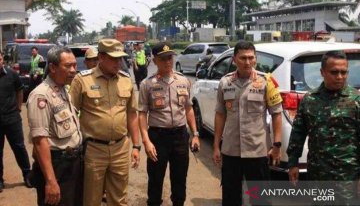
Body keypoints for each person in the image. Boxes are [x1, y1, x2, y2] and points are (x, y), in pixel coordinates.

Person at [69, 39, 140, 206]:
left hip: (120, 148)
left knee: (119, 199)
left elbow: (132, 114)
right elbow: (71, 114)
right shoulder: (83, 80)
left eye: (120, 58)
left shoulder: (125, 80)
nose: (118, 63)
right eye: (113, 58)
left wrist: (136, 146)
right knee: (91, 199)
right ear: (101, 57)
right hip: (94, 150)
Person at [212, 40, 283, 206]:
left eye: (251, 58)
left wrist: (277, 145)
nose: (247, 62)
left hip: (257, 151)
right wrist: (216, 145)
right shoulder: (225, 82)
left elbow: (277, 114)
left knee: (261, 199)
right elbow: (220, 114)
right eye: (243, 58)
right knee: (230, 197)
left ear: (255, 59)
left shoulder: (267, 81)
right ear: (235, 59)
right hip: (231, 151)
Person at [287, 50, 360, 204]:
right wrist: (293, 163)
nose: (339, 77)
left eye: (343, 72)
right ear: (322, 72)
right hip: (318, 174)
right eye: (334, 72)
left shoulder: (356, 100)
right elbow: (298, 132)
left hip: (347, 177)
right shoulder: (310, 100)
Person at [138, 42, 200, 206]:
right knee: (155, 179)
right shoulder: (147, 84)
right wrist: (146, 141)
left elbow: (188, 109)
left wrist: (195, 134)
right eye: (163, 58)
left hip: (180, 135)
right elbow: (142, 114)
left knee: (180, 178)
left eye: (170, 58)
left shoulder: (183, 81)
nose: (167, 62)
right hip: (158, 137)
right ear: (154, 60)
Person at [27, 46, 83, 206]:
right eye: (68, 66)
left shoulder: (63, 89)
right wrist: (51, 181)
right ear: (52, 67)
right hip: (57, 166)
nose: (73, 70)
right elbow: (40, 141)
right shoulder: (41, 95)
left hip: (72, 164)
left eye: (75, 65)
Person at [0, 51, 31, 192]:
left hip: (12, 118)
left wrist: (18, 108)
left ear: (2, 59)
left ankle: (28, 175)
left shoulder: (12, 74)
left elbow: (20, 91)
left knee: (19, 147)